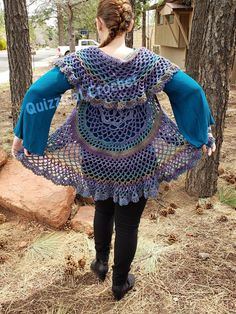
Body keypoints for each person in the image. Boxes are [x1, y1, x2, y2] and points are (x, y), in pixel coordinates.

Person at [11, 0, 216, 301]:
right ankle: (120, 283)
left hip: (95, 155)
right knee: (128, 222)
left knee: (103, 208)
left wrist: (24, 135)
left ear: (99, 24)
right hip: (139, 156)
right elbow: (191, 91)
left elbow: (39, 93)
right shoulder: (150, 62)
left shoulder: (81, 61)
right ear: (130, 25)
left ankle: (100, 263)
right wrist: (202, 132)